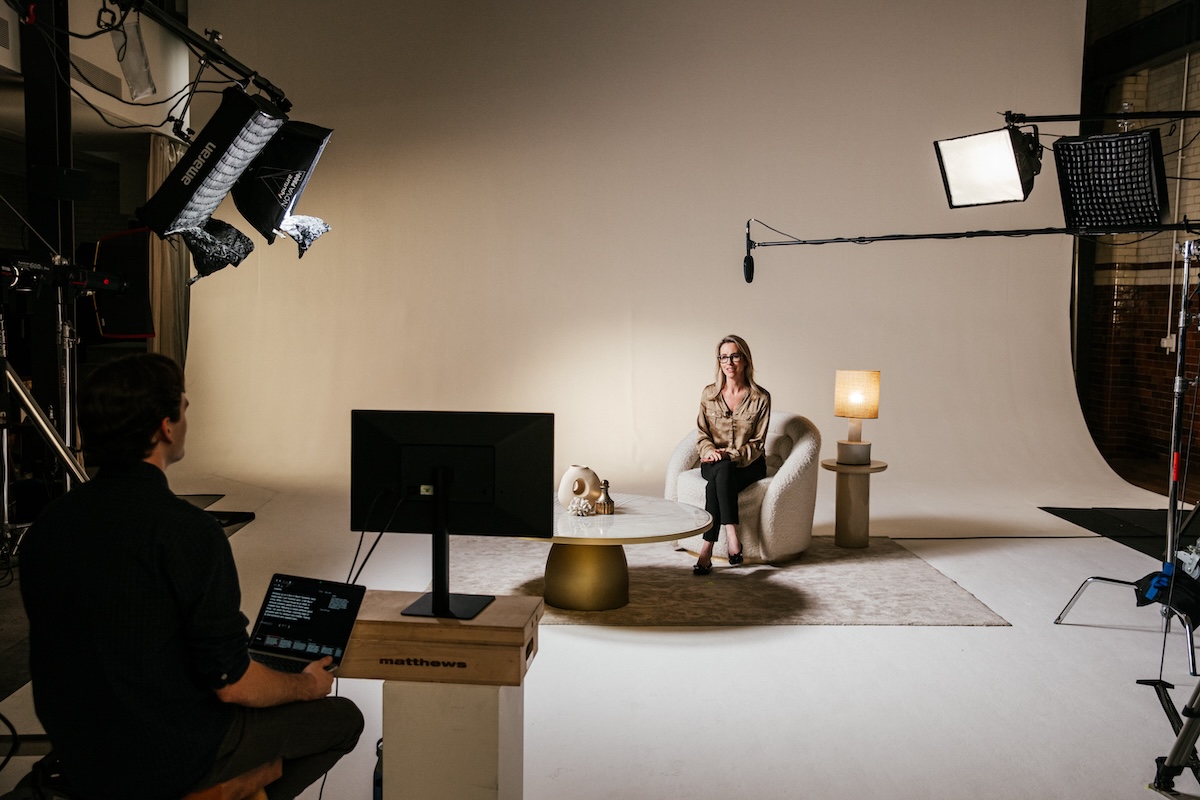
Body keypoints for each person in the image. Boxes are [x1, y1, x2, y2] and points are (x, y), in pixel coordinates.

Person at [19, 354, 363, 800]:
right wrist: (304, 685)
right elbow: (232, 684)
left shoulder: (49, 524)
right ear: (166, 427)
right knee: (342, 720)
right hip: (167, 754)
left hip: (80, 748)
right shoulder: (186, 531)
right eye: (183, 407)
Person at [692, 334, 771, 575]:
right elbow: (701, 434)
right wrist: (710, 452)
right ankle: (732, 535)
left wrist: (730, 455)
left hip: (749, 464)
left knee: (716, 482)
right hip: (713, 462)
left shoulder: (760, 397)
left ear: (745, 360)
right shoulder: (709, 394)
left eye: (735, 356)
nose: (729, 362)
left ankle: (706, 549)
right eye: (724, 357)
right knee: (721, 470)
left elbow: (757, 444)